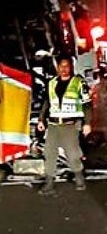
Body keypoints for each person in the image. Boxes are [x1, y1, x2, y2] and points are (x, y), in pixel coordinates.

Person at [37, 55, 93, 195]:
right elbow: (46, 102)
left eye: (66, 66)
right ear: (57, 68)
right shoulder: (51, 83)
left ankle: (79, 178)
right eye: (61, 66)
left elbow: (87, 104)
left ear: (71, 67)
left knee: (72, 154)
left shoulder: (79, 83)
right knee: (49, 153)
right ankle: (49, 183)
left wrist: (87, 123)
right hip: (53, 124)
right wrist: (41, 119)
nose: (64, 69)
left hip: (70, 124)